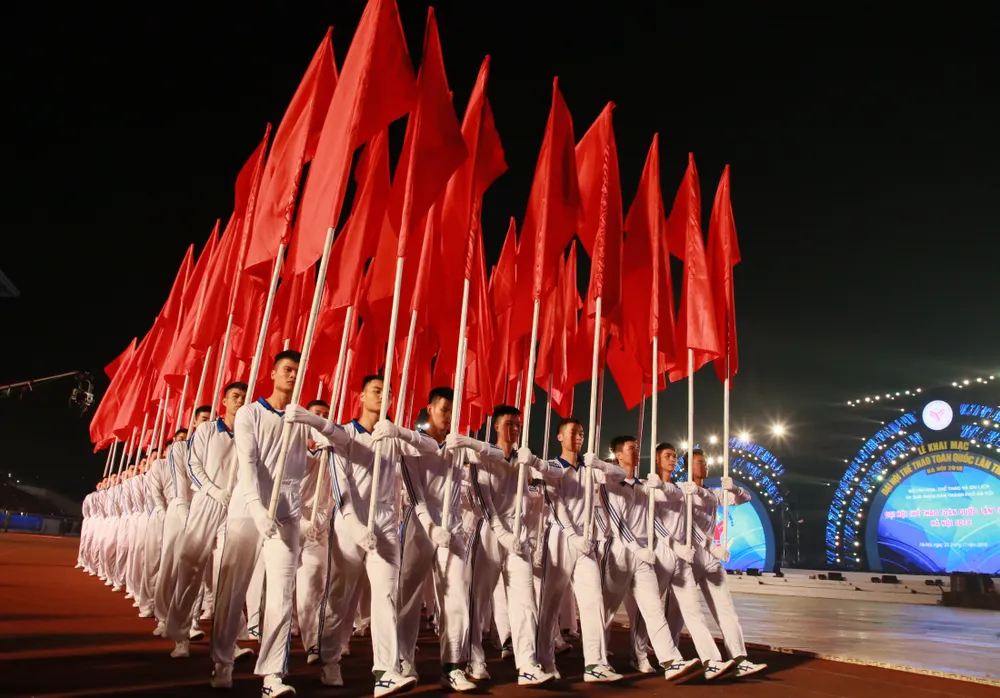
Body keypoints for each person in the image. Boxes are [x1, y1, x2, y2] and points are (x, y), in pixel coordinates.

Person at [291, 374, 416, 697]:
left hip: (386, 520)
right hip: (350, 521)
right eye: (376, 391)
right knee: (339, 595)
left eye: (388, 393)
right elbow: (339, 486)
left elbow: (428, 447)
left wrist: (399, 431)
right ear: (360, 396)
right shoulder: (344, 434)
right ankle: (330, 659)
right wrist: (356, 525)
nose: (382, 397)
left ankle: (385, 671)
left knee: (387, 595)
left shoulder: (391, 435)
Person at [379, 386, 503, 691]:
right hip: (421, 524)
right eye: (444, 409)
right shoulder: (412, 444)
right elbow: (414, 491)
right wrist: (431, 527)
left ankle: (452, 665)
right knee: (408, 596)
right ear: (430, 408)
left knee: (457, 595)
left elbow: (499, 454)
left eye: (453, 410)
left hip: (454, 526)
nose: (448, 415)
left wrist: (469, 441)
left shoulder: (456, 445)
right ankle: (404, 660)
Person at [209, 350, 312, 697]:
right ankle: (222, 662)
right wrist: (256, 509)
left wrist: (316, 426)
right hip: (247, 508)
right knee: (232, 590)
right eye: (287, 369)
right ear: (273, 373)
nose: (292, 376)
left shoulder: (300, 418)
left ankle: (273, 673)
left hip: (286, 511)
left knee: (282, 594)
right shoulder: (250, 413)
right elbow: (248, 465)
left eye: (298, 371)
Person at [595, 436, 708, 682]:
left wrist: (668, 543)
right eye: (631, 449)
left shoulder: (644, 486)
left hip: (645, 555)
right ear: (618, 455)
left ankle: (670, 660)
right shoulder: (609, 484)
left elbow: (653, 518)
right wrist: (637, 548)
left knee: (653, 609)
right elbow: (616, 522)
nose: (636, 452)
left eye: (637, 448)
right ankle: (597, 659)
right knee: (605, 610)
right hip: (619, 552)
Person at [465, 404, 562, 686]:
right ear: (495, 426)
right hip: (489, 531)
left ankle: (528, 664)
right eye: (508, 423)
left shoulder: (523, 460)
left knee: (524, 600)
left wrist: (531, 463)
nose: (514, 428)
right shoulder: (483, 456)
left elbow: (548, 484)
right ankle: (474, 658)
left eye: (517, 424)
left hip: (518, 536)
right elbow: (481, 498)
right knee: (479, 599)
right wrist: (500, 531)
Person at [531, 417, 624, 682]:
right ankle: (545, 661)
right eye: (572, 433)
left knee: (593, 600)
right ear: (560, 437)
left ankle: (595, 664)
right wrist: (573, 536)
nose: (578, 437)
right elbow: (554, 502)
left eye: (581, 433)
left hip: (587, 543)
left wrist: (601, 463)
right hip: (561, 538)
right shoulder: (552, 467)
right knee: (550, 602)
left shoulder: (590, 467)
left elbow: (621, 474)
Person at [167, 383, 251, 660]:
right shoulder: (206, 430)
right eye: (235, 397)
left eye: (243, 398)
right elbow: (193, 466)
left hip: (233, 507)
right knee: (191, 570)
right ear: (224, 400)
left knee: (228, 572)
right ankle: (182, 634)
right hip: (206, 503)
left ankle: (228, 640)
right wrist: (214, 491)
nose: (239, 402)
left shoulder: (247, 433)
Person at [673, 449, 767, 679]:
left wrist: (733, 488)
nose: (705, 466)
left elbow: (745, 498)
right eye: (699, 462)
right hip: (689, 556)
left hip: (711, 559)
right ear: (687, 467)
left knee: (726, 611)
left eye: (705, 462)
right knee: (683, 614)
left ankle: (740, 659)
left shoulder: (713, 493)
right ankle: (677, 656)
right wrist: (709, 544)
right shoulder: (680, 491)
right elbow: (683, 525)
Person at [154, 407, 212, 638]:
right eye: (204, 419)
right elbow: (179, 487)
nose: (209, 423)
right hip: (178, 509)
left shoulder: (213, 446)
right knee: (169, 565)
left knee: (195, 566)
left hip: (203, 510)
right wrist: (186, 515)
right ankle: (162, 615)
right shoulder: (179, 449)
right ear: (195, 422)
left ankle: (192, 620)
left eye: (212, 420)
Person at [294, 399, 336, 665]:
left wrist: (319, 520)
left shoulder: (331, 454)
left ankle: (313, 643)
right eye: (315, 415)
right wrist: (299, 521)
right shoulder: (291, 449)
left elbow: (333, 495)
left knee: (313, 584)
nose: (319, 419)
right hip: (288, 525)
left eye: (324, 416)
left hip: (317, 529)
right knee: (280, 587)